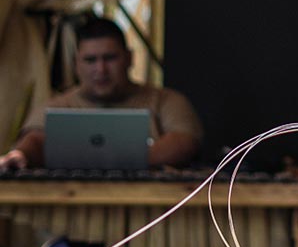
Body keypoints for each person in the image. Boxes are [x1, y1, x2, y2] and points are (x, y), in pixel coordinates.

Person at [0, 16, 203, 170]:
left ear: (129, 58)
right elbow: (34, 140)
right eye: (90, 60)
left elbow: (185, 141)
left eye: (110, 58)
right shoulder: (55, 106)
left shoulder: (167, 101)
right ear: (76, 64)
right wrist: (20, 155)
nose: (101, 69)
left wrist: (109, 161)